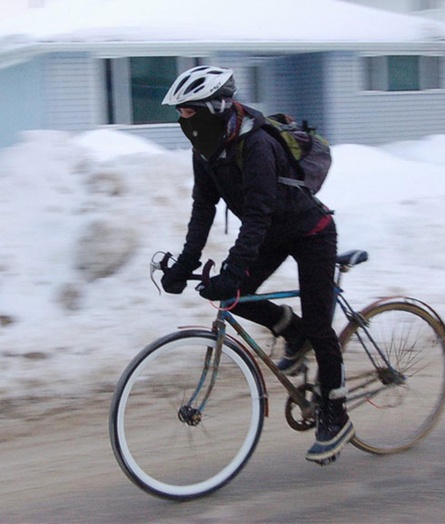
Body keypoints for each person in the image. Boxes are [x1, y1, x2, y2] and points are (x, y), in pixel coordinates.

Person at [158, 65, 354, 464]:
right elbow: (203, 209)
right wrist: (184, 264)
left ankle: (336, 414)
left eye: (189, 111)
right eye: (178, 113)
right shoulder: (208, 151)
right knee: (232, 297)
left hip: (311, 232)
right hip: (271, 235)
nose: (183, 120)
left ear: (214, 106)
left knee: (320, 326)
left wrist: (232, 268)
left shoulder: (257, 145)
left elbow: (258, 216)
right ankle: (290, 330)